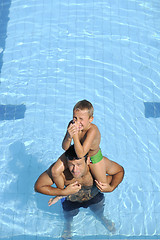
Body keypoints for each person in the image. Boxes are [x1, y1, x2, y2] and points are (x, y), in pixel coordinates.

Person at [34, 145, 124, 239]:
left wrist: (112, 187)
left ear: (87, 160)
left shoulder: (99, 165)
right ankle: (68, 227)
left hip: (93, 196)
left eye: (79, 164)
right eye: (71, 165)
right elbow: (38, 187)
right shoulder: (62, 172)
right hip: (71, 200)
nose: (75, 170)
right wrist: (63, 192)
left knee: (99, 210)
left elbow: (119, 171)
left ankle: (102, 218)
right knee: (68, 216)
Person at [51, 100, 110, 192]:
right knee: (54, 171)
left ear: (90, 119)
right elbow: (65, 147)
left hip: (93, 156)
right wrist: (69, 137)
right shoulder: (72, 124)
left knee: (102, 185)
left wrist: (74, 136)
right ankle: (63, 192)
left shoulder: (92, 130)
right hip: (75, 151)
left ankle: (99, 190)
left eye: (81, 119)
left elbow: (81, 154)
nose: (77, 122)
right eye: (75, 118)